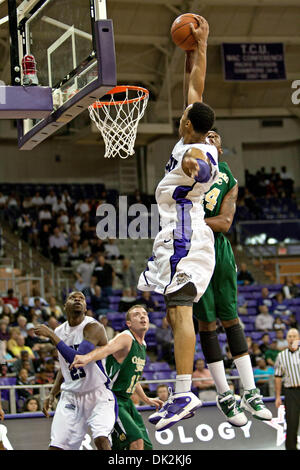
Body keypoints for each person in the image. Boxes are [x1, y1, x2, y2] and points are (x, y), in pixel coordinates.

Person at [137, 16, 219, 432]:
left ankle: (185, 393)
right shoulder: (194, 131)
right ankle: (184, 390)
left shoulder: (195, 150)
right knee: (173, 313)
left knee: (179, 308)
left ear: (189, 125)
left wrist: (200, 167)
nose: (184, 111)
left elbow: (202, 168)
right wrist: (198, 47)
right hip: (179, 234)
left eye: (186, 114)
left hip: (185, 236)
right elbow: (196, 84)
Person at [193, 131, 271, 425]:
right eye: (206, 135)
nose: (211, 137)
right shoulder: (189, 167)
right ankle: (225, 393)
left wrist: (192, 221)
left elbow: (225, 223)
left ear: (221, 147)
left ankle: (250, 392)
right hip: (193, 253)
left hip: (218, 251)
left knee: (231, 319)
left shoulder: (229, 179)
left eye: (216, 136)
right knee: (207, 322)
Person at [70, 305, 163, 450]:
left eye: (145, 314)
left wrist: (146, 399)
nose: (143, 316)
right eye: (137, 315)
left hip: (126, 401)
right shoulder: (126, 337)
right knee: (136, 441)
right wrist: (86, 358)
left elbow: (134, 377)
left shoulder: (142, 345)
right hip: (111, 399)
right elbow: (106, 349)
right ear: (129, 323)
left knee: (145, 446)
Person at [34, 291, 117, 450]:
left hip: (97, 394)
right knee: (56, 447)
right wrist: (52, 393)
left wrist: (51, 335)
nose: (78, 299)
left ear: (85, 308)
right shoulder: (60, 331)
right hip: (71, 396)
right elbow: (64, 367)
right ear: (65, 306)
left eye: (82, 298)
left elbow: (78, 359)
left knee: (101, 439)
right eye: (73, 298)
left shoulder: (94, 327)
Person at [274, 328, 300, 450]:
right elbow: (278, 377)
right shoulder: (281, 356)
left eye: (294, 336)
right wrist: (278, 396)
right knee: (291, 422)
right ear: (286, 339)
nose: (292, 338)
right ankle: (291, 448)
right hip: (291, 392)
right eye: (289, 336)